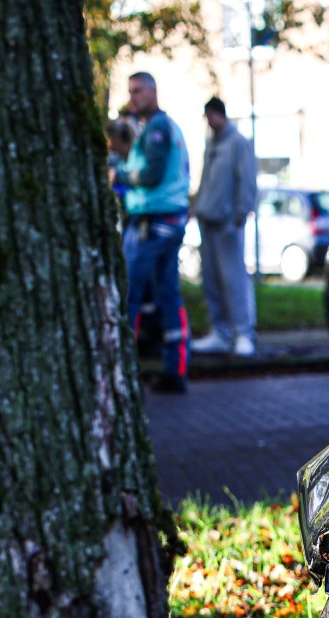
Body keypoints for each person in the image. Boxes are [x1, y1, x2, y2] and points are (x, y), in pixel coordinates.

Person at [113, 73, 191, 393]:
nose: (133, 97)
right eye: (130, 92)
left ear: (153, 91)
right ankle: (176, 370)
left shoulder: (157, 128)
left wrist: (117, 173)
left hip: (152, 224)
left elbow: (150, 174)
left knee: (129, 295)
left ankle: (123, 373)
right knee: (167, 295)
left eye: (138, 91)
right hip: (168, 221)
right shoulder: (162, 127)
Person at [188, 97, 258, 357]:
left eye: (211, 116)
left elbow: (247, 179)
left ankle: (243, 333)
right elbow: (205, 179)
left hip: (228, 223)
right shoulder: (212, 143)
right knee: (212, 280)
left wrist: (241, 212)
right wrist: (197, 205)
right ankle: (220, 331)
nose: (209, 122)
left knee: (234, 280)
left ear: (219, 115)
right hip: (208, 220)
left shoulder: (238, 142)